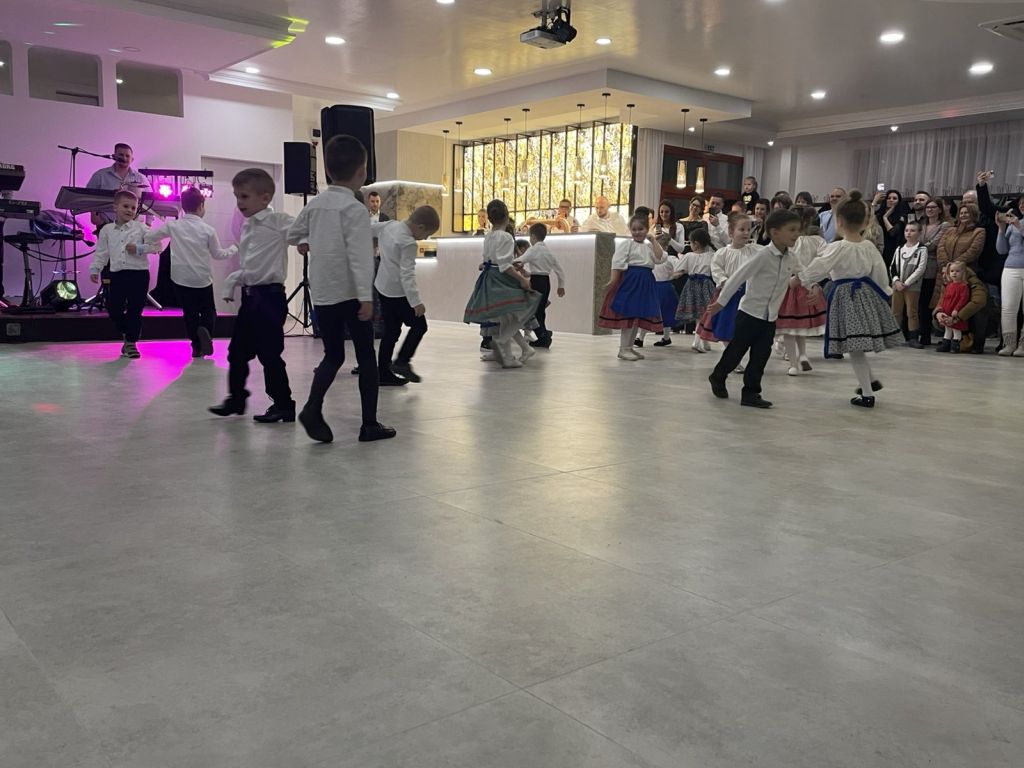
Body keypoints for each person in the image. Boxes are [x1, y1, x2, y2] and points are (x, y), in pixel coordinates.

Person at [283, 136, 397, 442]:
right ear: (362, 172)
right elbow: (360, 257)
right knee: (366, 356)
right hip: (351, 294)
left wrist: (305, 241)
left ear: (328, 171)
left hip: (323, 292)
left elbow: (292, 234)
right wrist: (366, 297)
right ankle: (369, 424)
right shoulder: (354, 209)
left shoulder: (316, 204)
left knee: (332, 355)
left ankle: (313, 407)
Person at [794, 190, 901, 408]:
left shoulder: (837, 247)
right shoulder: (869, 246)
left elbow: (819, 267)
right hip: (867, 296)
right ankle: (870, 381)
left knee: (855, 347)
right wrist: (885, 294)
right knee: (857, 344)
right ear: (865, 222)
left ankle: (867, 394)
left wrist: (800, 279)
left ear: (839, 221)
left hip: (846, 297)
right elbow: (881, 274)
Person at [208, 169, 295, 424]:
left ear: (265, 198)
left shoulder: (278, 220)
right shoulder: (247, 225)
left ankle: (284, 405)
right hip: (250, 298)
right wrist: (231, 286)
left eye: (244, 196)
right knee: (236, 352)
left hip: (270, 298)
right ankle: (236, 398)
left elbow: (301, 230)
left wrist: (303, 240)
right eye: (237, 196)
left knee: (269, 354)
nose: (239, 202)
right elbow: (249, 267)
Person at [705, 208, 802, 408]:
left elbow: (804, 273)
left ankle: (751, 393)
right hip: (749, 314)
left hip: (770, 317)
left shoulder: (791, 257)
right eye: (791, 230)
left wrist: (814, 286)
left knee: (761, 356)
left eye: (797, 230)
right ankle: (718, 375)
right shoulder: (762, 255)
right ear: (775, 232)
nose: (796, 234)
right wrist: (721, 302)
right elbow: (738, 277)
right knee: (736, 351)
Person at [142, 188, 235, 357]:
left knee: (190, 313)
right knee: (209, 311)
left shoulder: (173, 226)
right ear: (201, 206)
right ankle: (205, 330)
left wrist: (144, 234)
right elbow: (218, 254)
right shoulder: (208, 230)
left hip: (181, 279)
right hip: (202, 279)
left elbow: (150, 237)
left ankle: (196, 347)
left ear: (183, 207)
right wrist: (234, 249)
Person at [463, 199, 540, 368]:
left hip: (489, 277)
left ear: (490, 219)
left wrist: (489, 264)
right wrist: (522, 279)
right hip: (502, 279)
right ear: (506, 216)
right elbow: (504, 266)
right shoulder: (506, 237)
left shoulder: (489, 236)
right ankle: (504, 344)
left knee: (507, 316)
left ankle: (513, 353)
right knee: (521, 310)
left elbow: (490, 259)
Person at [371, 206, 441, 384]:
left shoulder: (389, 226)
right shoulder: (408, 243)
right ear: (420, 227)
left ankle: (383, 373)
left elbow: (368, 229)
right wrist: (416, 302)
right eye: (426, 234)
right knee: (420, 326)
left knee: (391, 332)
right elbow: (407, 274)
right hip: (399, 293)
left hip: (383, 288)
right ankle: (402, 361)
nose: (425, 238)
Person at [88, 190, 157, 359]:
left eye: (133, 208)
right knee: (113, 308)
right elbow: (102, 252)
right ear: (115, 207)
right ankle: (127, 333)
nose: (129, 210)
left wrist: (139, 248)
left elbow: (157, 246)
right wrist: (95, 269)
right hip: (117, 275)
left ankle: (131, 343)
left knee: (135, 310)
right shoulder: (107, 230)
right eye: (126, 206)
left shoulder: (141, 228)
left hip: (139, 275)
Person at [597, 212, 665, 360]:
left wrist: (653, 240)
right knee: (629, 315)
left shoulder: (649, 246)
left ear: (647, 229)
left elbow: (660, 257)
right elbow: (617, 262)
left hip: (646, 282)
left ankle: (629, 347)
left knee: (637, 317)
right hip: (632, 281)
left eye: (640, 229)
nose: (637, 232)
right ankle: (623, 348)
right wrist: (613, 281)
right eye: (634, 229)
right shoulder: (627, 244)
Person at [696, 212, 759, 359]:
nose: (746, 233)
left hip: (747, 294)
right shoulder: (722, 253)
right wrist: (725, 281)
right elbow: (716, 269)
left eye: (748, 230)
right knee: (726, 325)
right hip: (728, 294)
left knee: (743, 327)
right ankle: (732, 356)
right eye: (741, 229)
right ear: (731, 232)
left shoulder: (753, 250)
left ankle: (738, 354)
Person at [776, 205, 827, 375]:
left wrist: (798, 278)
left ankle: (793, 363)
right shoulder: (817, 241)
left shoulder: (788, 242)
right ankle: (803, 354)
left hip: (789, 286)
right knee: (800, 326)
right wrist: (812, 281)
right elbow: (823, 262)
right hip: (806, 285)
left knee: (789, 327)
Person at [516, 222, 566, 348]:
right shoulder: (548, 251)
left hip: (536, 282)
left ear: (533, 236)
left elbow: (520, 260)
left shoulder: (533, 250)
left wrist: (505, 263)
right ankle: (543, 334)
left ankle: (543, 337)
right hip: (545, 282)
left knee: (534, 311)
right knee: (540, 310)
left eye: (530, 236)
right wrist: (561, 286)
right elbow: (559, 270)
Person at [85, 143, 152, 229]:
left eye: (127, 156)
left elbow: (151, 201)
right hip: (106, 224)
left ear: (132, 159)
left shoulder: (141, 178)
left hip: (134, 227)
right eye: (121, 155)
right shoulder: (100, 175)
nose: (124, 158)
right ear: (114, 156)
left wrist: (148, 224)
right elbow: (88, 196)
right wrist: (94, 216)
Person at [673, 228, 716, 352]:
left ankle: (702, 341)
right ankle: (698, 341)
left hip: (692, 286)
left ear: (695, 243)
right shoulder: (712, 256)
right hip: (706, 286)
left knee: (700, 315)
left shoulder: (689, 256)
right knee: (703, 314)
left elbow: (679, 271)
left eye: (690, 242)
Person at [917, 198, 952, 346]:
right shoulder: (921, 225)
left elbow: (935, 244)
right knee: (920, 303)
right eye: (928, 207)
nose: (930, 209)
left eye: (933, 207)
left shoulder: (944, 225)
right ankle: (922, 333)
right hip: (918, 265)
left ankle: (930, 334)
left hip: (933, 266)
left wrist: (920, 247)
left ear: (939, 210)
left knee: (929, 301)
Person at [889, 220, 928, 348]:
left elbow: (920, 269)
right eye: (907, 230)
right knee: (896, 311)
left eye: (912, 230)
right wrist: (896, 281)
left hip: (912, 286)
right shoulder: (899, 249)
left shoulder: (922, 249)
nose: (909, 233)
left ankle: (913, 337)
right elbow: (892, 267)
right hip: (897, 286)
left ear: (919, 232)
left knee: (912, 312)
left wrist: (906, 283)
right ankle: (894, 336)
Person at [996, 207, 1024, 356]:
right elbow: (1002, 250)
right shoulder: (1013, 224)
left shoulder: (1017, 223)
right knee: (1008, 308)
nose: (1023, 205)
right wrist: (1001, 229)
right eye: (1021, 203)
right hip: (1010, 267)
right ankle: (1009, 343)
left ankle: (1023, 345)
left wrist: (1019, 226)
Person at [933, 261, 972, 353]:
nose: (954, 273)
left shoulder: (963, 286)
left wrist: (956, 309)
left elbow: (963, 299)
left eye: (957, 271)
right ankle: (945, 344)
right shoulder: (949, 285)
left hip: (955, 312)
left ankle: (955, 345)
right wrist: (941, 310)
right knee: (948, 328)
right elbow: (944, 298)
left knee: (956, 329)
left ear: (963, 273)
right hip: (947, 310)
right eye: (952, 271)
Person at [873, 189, 907, 269]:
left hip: (893, 249)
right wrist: (874, 202)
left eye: (894, 198)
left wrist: (885, 218)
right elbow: (868, 218)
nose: (891, 200)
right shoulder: (878, 214)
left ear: (898, 201)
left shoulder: (901, 216)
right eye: (888, 198)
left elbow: (892, 233)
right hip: (878, 248)